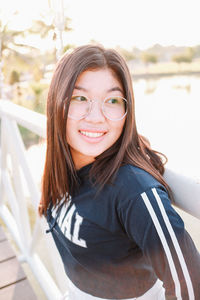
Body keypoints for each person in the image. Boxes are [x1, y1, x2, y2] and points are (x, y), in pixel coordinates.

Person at [39, 44, 200, 300]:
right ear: (56, 104)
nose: (96, 116)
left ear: (127, 113)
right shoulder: (65, 167)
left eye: (112, 100)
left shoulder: (133, 190)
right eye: (79, 98)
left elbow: (190, 287)